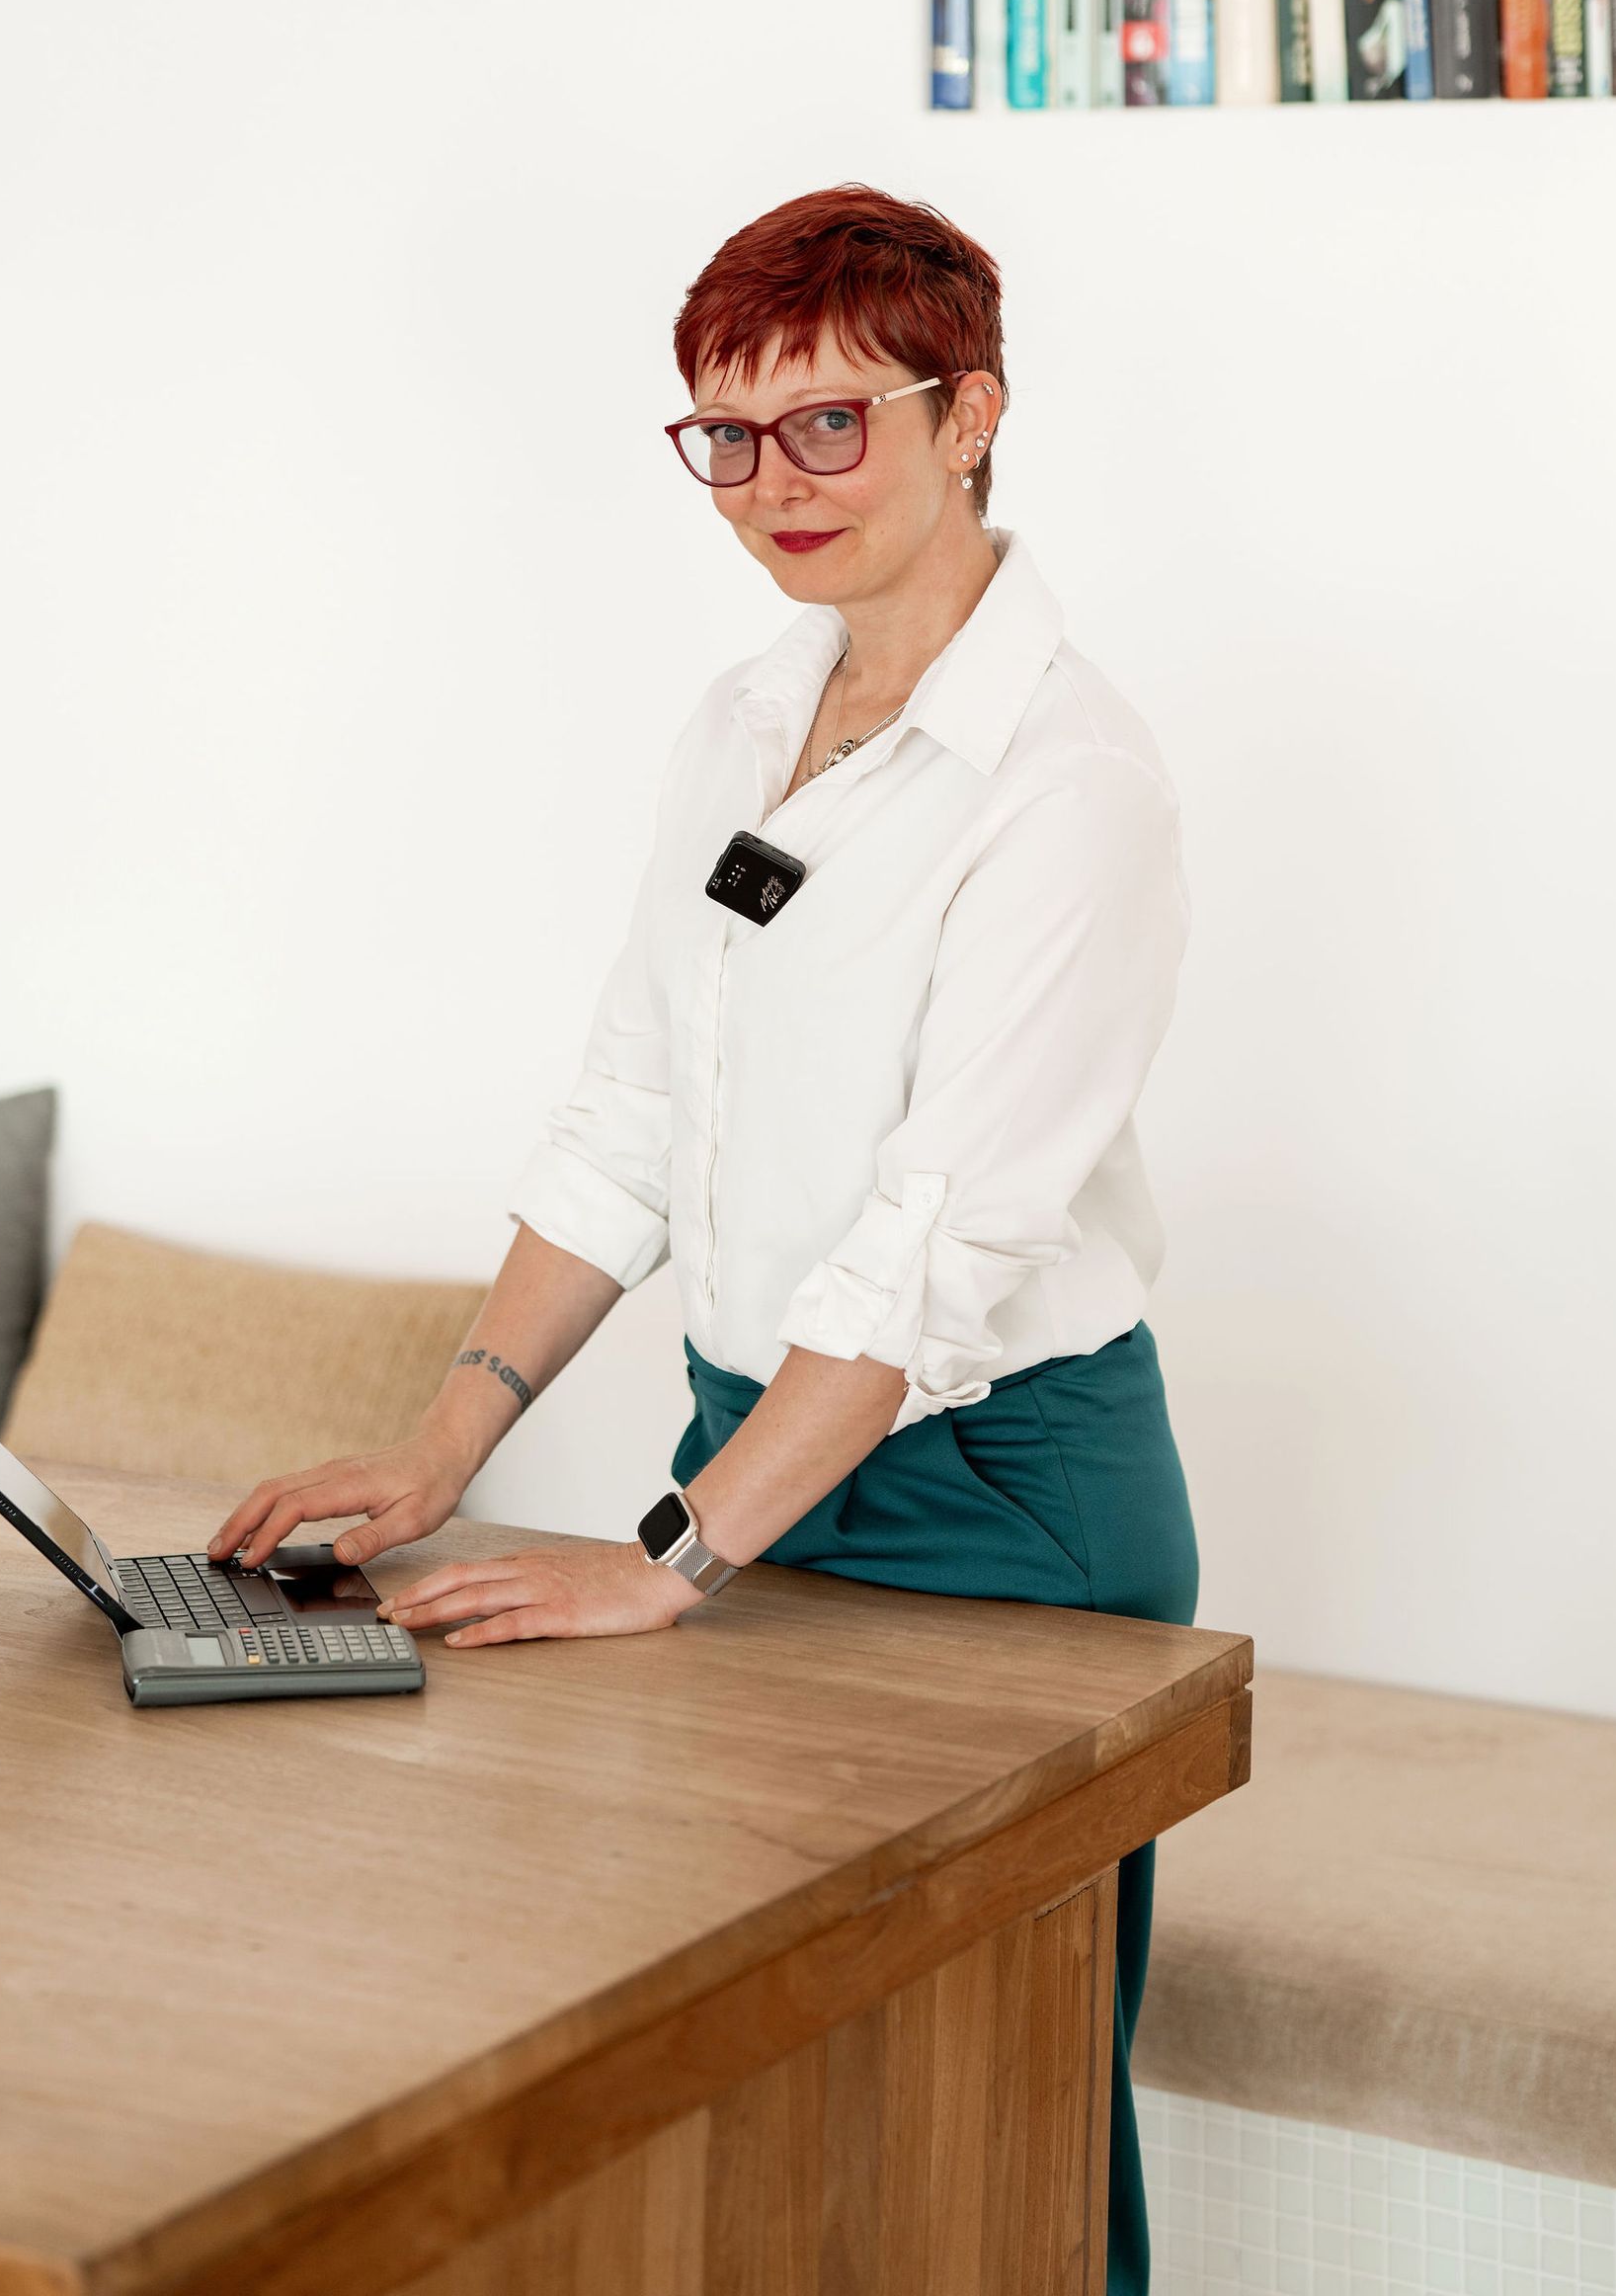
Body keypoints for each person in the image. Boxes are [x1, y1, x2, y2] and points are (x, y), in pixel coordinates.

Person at [209, 183, 1199, 2296]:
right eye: (730, 436)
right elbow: (635, 1114)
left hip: (1001, 1502)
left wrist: (668, 1556)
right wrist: (444, 1448)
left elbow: (930, 1251)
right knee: (762, 2090)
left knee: (994, 2105)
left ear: (973, 416)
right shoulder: (750, 718)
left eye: (833, 422)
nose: (774, 484)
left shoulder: (1069, 782)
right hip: (752, 1456)